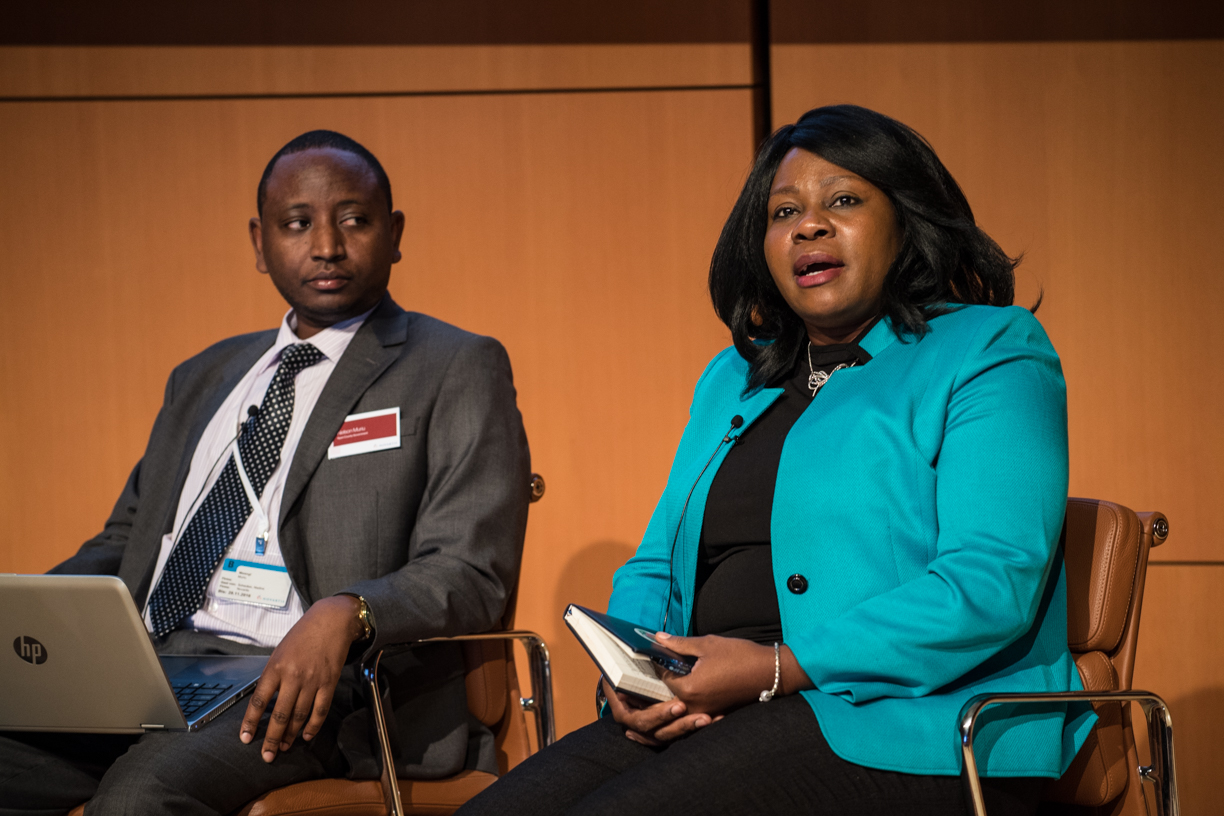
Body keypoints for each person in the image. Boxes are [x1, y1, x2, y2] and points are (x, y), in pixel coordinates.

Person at [458, 105, 1093, 816]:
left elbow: (989, 582)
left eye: (843, 201)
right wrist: (634, 678)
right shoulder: (734, 376)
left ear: (906, 220)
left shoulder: (988, 349)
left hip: (913, 719)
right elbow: (657, 563)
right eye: (784, 212)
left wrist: (778, 668)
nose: (808, 226)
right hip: (718, 703)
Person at [0, 130, 531, 816]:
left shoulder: (454, 366)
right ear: (260, 242)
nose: (327, 246)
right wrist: (28, 620)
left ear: (394, 233)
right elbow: (127, 540)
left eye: (354, 220)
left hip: (314, 689)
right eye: (297, 223)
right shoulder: (203, 376)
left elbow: (471, 569)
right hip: (147, 669)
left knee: (139, 797)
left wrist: (349, 610)